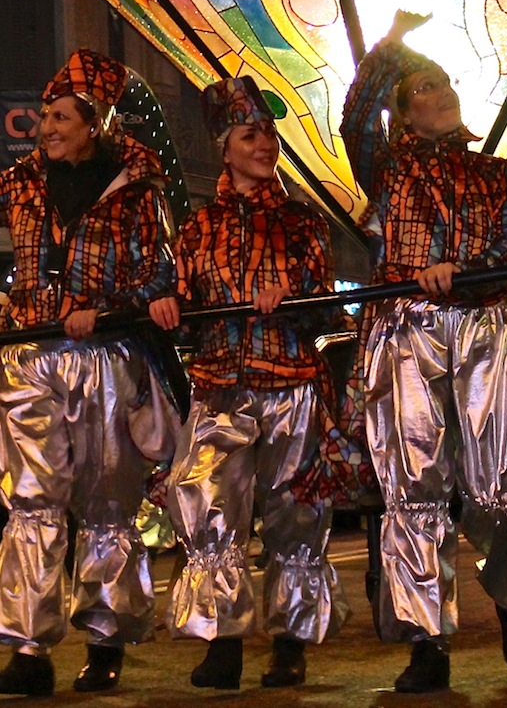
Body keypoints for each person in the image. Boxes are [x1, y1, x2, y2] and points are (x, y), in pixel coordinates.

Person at [340, 13, 507, 694]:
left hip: (484, 329)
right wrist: (391, 45)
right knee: (413, 485)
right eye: (426, 86)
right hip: (406, 332)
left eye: (446, 82)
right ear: (405, 112)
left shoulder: (494, 171)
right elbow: (355, 118)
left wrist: (460, 270)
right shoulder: (387, 168)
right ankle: (425, 641)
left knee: (494, 480)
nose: (444, 93)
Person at [0, 49, 180, 696]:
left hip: (105, 359)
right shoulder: (22, 182)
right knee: (32, 501)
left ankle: (106, 641)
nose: (48, 126)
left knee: (107, 503)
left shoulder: (137, 192)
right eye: (45, 115)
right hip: (29, 356)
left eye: (62, 116)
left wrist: (105, 309)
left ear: (94, 123)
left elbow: (162, 274)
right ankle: (28, 649)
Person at [148, 78, 346, 690]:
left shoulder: (304, 223)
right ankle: (222, 641)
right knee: (206, 505)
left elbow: (326, 311)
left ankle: (290, 642)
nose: (264, 145)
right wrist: (168, 306)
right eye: (249, 135)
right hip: (219, 388)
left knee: (295, 516)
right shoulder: (196, 228)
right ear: (224, 148)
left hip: (291, 384)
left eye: (268, 134)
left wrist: (294, 296)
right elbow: (183, 301)